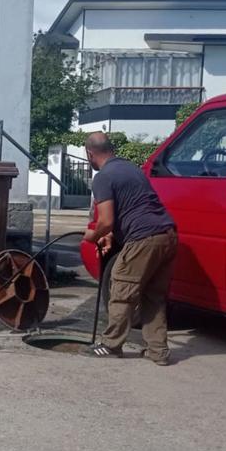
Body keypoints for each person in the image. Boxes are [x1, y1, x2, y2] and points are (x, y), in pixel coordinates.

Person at [81, 132, 178, 365]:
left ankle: (111, 345)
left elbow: (105, 221)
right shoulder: (130, 168)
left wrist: (93, 236)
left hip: (143, 239)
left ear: (90, 154)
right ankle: (158, 351)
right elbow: (132, 207)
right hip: (168, 235)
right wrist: (110, 235)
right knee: (152, 296)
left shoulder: (103, 177)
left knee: (121, 288)